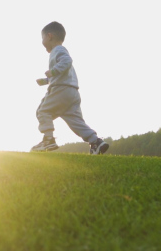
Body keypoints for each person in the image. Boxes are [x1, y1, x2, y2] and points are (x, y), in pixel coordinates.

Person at [31, 22, 109, 155]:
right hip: (71, 92)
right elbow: (63, 73)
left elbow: (67, 61)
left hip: (61, 90)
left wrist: (53, 71)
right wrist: (46, 81)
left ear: (49, 36)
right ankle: (95, 141)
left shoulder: (58, 50)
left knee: (42, 111)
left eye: (42, 38)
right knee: (75, 121)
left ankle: (48, 140)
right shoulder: (58, 51)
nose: (42, 42)